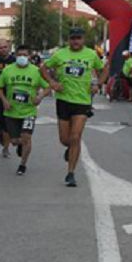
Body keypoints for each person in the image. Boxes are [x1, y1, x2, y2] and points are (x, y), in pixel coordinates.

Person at [41, 27, 108, 188]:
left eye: (78, 38)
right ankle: (70, 148)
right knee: (65, 139)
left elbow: (104, 70)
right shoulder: (60, 54)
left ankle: (70, 173)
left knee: (76, 137)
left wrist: (98, 84)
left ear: (83, 39)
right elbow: (43, 68)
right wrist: (52, 83)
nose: (76, 41)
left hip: (82, 101)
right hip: (63, 100)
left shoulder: (91, 54)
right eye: (73, 38)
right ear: (68, 40)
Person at [0, 43, 51, 176]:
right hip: (11, 111)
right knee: (14, 141)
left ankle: (22, 164)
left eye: (25, 55)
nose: (22, 57)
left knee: (26, 137)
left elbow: (48, 87)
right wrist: (4, 100)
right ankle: (19, 144)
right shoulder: (8, 70)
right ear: (15, 56)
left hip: (28, 112)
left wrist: (40, 96)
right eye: (19, 55)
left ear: (30, 56)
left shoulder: (35, 71)